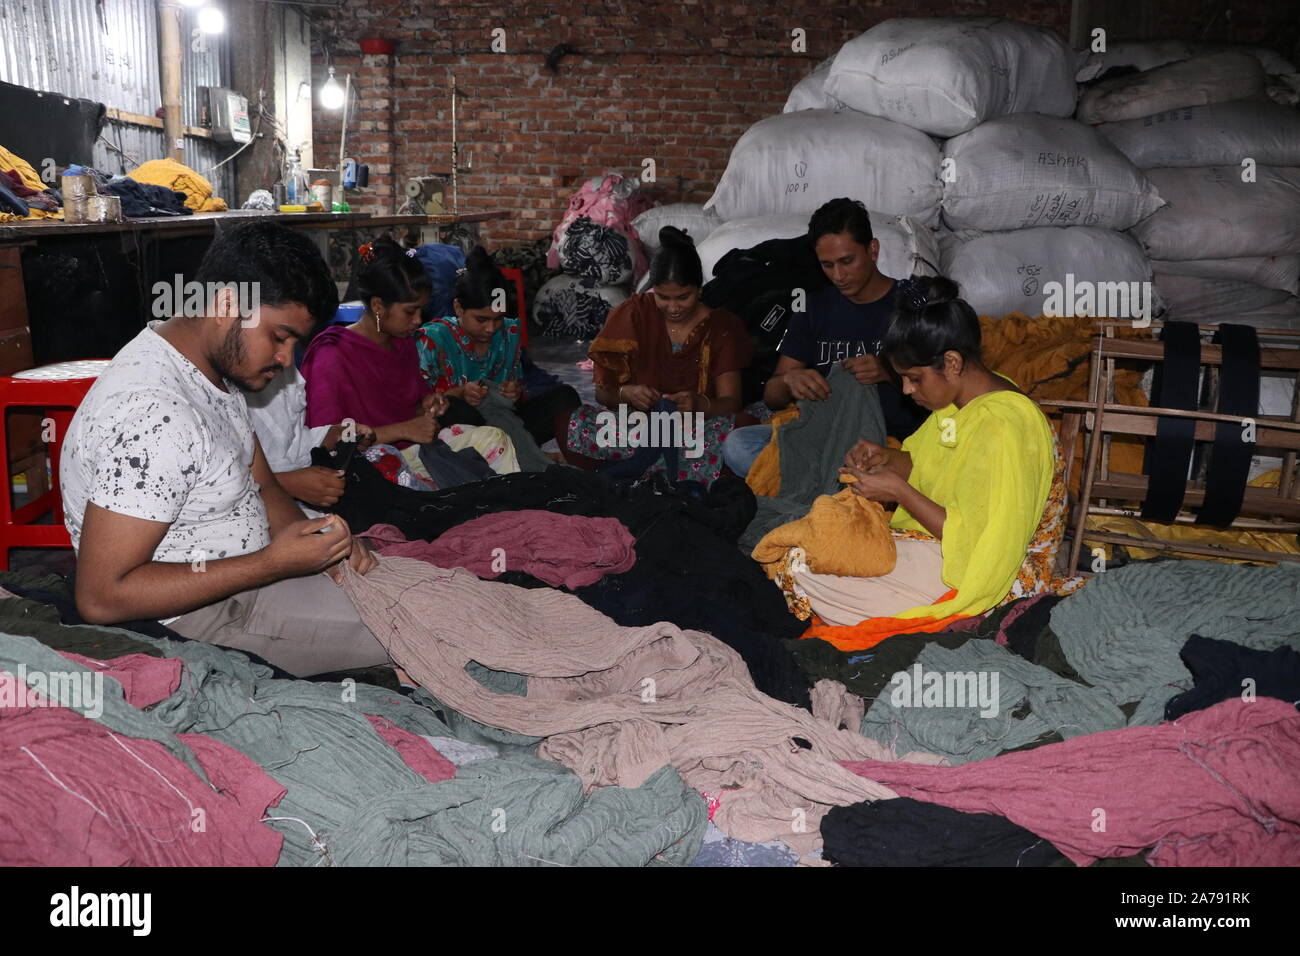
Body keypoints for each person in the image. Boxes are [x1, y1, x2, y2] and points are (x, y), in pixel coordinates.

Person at [60, 219, 390, 678]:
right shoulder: (153, 415)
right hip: (199, 617)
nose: (286, 360)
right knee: (421, 632)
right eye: (280, 337)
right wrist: (271, 564)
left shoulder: (206, 364)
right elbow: (99, 597)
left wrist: (318, 550)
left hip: (249, 580)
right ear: (226, 305)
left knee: (419, 596)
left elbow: (264, 484)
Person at [785, 275, 1061, 650]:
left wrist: (897, 489)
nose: (906, 391)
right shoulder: (965, 400)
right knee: (809, 553)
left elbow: (977, 541)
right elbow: (931, 466)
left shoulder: (1003, 425)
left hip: (992, 572)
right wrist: (887, 458)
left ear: (951, 362)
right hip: (944, 548)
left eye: (914, 379)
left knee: (805, 571)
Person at [722, 198, 926, 477]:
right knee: (738, 445)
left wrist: (890, 371)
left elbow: (944, 389)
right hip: (825, 439)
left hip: (892, 444)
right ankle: (835, 482)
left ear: (873, 250)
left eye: (847, 261)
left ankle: (829, 484)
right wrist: (790, 382)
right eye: (827, 265)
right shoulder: (813, 308)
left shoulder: (910, 305)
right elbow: (772, 396)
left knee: (925, 462)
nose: (839, 275)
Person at [301, 239, 517, 483]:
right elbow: (329, 441)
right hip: (367, 467)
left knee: (494, 438)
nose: (417, 321)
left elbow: (410, 406)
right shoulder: (332, 355)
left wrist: (426, 405)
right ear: (378, 306)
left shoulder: (402, 343)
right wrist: (403, 430)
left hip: (412, 451)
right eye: (410, 311)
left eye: (421, 311)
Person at [561, 226, 755, 485]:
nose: (673, 308)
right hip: (640, 427)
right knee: (571, 423)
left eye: (683, 297)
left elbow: (731, 402)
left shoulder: (722, 327)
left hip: (695, 430)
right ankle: (670, 470)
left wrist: (700, 405)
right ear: (652, 288)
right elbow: (602, 394)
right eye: (663, 297)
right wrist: (626, 394)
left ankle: (641, 469)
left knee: (741, 429)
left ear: (699, 288)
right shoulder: (633, 314)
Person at [415, 246, 580, 448]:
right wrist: (460, 393)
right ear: (458, 308)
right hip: (460, 435)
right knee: (453, 409)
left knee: (565, 398)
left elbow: (514, 401)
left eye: (498, 319)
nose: (491, 329)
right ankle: (509, 454)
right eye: (481, 319)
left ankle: (514, 452)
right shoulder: (433, 338)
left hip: (505, 428)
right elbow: (420, 408)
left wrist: (515, 393)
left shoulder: (508, 333)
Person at [245, 362, 375, 511]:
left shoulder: (280, 365)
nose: (287, 358)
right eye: (280, 338)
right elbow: (222, 486)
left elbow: (295, 441)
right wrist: (287, 483)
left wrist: (337, 434)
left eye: (293, 342)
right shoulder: (218, 399)